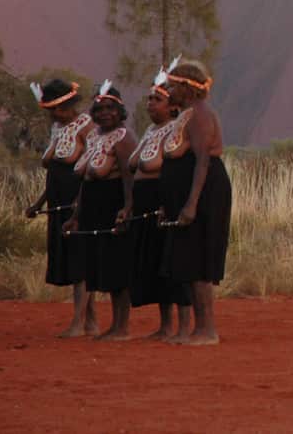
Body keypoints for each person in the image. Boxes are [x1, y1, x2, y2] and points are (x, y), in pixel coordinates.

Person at [160, 58, 231, 345]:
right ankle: (197, 329)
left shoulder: (200, 114)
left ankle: (207, 330)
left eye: (172, 85)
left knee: (199, 259)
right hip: (190, 192)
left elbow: (202, 159)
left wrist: (191, 204)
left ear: (187, 88)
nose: (168, 91)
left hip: (204, 193)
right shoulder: (187, 114)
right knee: (188, 260)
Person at [63, 81, 137, 341]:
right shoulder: (94, 136)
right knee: (98, 265)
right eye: (100, 108)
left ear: (119, 111)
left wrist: (128, 207)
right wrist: (75, 215)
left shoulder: (124, 137)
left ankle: (122, 326)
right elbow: (86, 180)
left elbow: (129, 175)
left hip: (113, 203)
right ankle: (112, 326)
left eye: (110, 108)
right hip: (92, 206)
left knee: (117, 265)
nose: (105, 113)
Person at [123, 70, 192, 341]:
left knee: (172, 263)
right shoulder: (151, 130)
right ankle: (165, 326)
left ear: (172, 105)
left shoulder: (178, 131)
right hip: (143, 203)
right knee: (153, 263)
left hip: (164, 201)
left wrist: (169, 202)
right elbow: (134, 164)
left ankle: (184, 327)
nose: (150, 103)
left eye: (157, 99)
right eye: (149, 99)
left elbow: (177, 170)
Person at [24, 78, 97, 338]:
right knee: (70, 258)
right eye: (50, 110)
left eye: (57, 108)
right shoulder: (57, 129)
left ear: (69, 104)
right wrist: (38, 203)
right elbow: (54, 170)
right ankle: (90, 322)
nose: (54, 114)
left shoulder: (87, 126)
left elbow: (91, 167)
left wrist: (82, 201)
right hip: (57, 201)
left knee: (79, 261)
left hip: (76, 201)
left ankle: (78, 322)